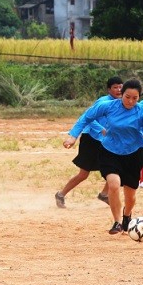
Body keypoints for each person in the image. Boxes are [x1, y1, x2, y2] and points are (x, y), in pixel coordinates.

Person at [63, 79, 143, 235]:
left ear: (139, 97)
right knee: (113, 185)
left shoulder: (142, 111)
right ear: (122, 94)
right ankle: (117, 222)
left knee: (130, 196)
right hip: (109, 151)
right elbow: (86, 117)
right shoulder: (108, 106)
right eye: (127, 97)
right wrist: (73, 136)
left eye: (135, 98)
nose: (130, 101)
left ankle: (127, 216)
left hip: (133, 153)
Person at [55, 76, 123, 208]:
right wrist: (74, 136)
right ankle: (61, 194)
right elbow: (88, 118)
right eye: (115, 87)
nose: (119, 89)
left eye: (120, 87)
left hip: (106, 142)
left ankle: (104, 194)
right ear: (109, 90)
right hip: (91, 139)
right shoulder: (103, 102)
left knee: (116, 167)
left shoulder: (123, 103)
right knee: (83, 174)